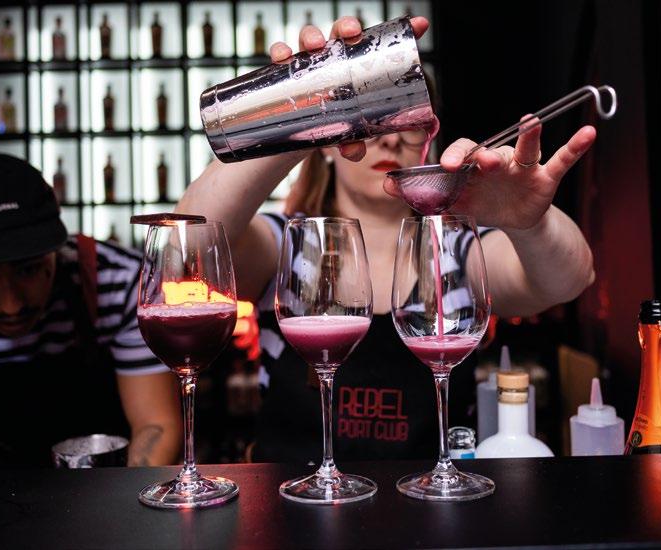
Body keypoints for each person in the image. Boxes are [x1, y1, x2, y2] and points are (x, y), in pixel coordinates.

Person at [177, 16, 596, 462]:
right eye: (371, 117)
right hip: (292, 495)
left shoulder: (455, 249)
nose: (391, 139)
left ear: (428, 137)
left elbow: (569, 279)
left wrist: (529, 223)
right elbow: (190, 244)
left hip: (429, 497)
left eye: (407, 120)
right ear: (328, 144)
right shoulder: (289, 244)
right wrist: (301, 105)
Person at [0, 153, 181, 471]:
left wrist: (127, 498)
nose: (12, 305)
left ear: (55, 250)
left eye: (29, 270)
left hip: (107, 481)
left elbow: (156, 426)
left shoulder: (123, 283)